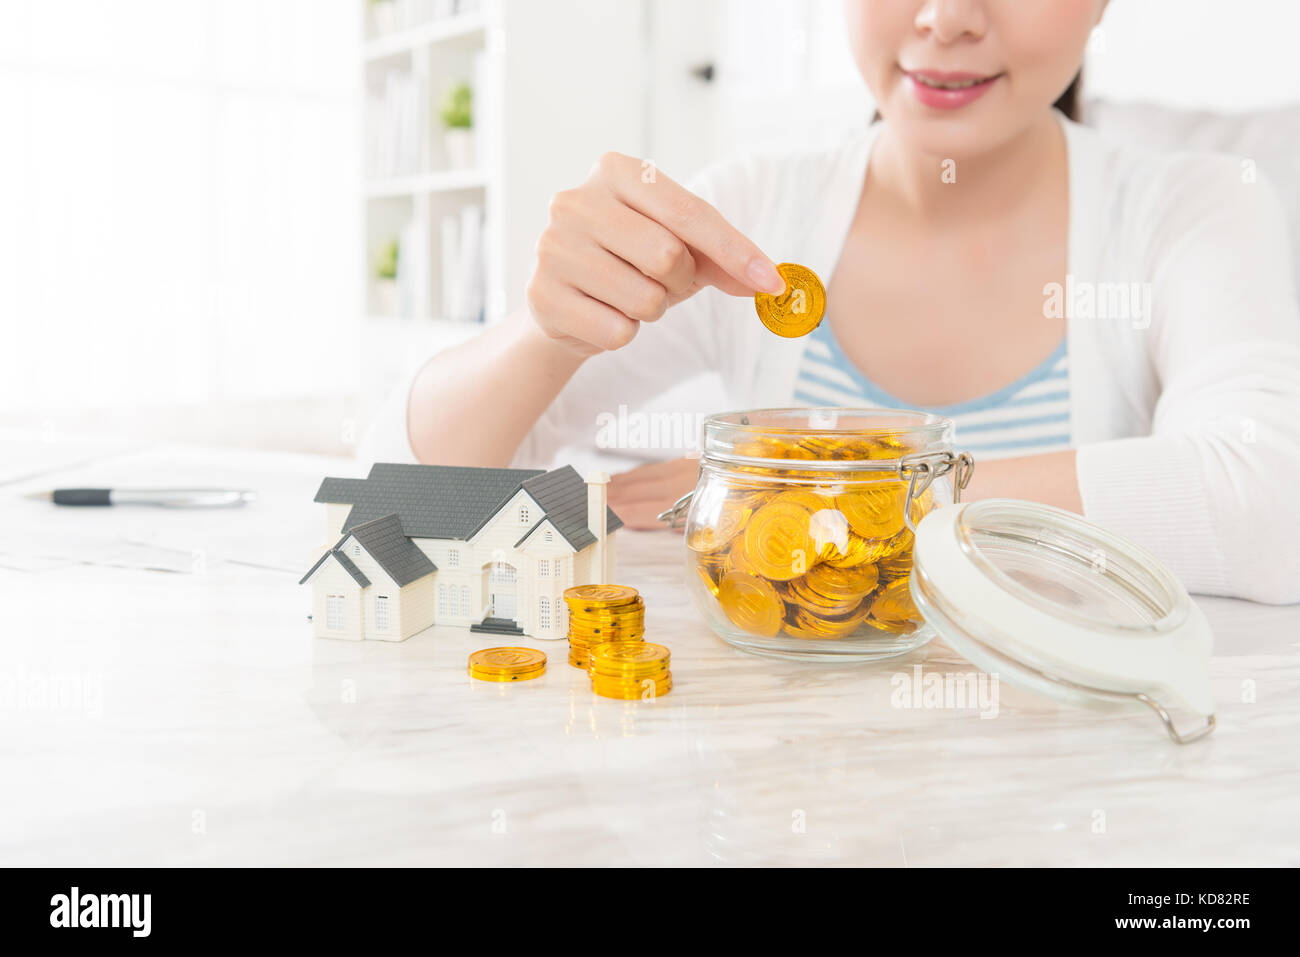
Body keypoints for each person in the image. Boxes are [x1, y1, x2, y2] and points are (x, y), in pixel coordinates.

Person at [387, 0, 1300, 604]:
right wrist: (540, 332)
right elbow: (405, 490)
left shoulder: (1196, 208)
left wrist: (793, 490)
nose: (946, 19)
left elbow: (1272, 504)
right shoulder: (753, 214)